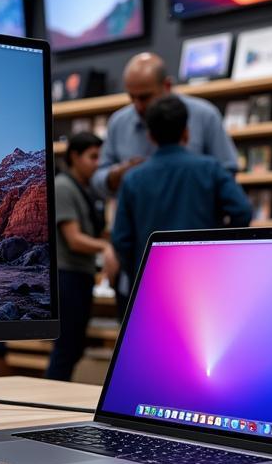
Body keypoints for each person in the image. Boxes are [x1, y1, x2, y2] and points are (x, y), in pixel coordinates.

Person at [92, 52, 238, 313]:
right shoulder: (119, 123)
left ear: (167, 86)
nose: (137, 105)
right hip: (140, 271)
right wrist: (118, 174)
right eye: (131, 97)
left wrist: (220, 245)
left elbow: (227, 172)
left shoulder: (204, 116)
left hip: (198, 268)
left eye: (145, 96)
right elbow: (99, 180)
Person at [112, 95, 251, 286]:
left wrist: (138, 269)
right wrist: (220, 247)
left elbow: (121, 239)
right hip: (204, 275)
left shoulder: (133, 179)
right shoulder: (211, 169)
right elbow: (242, 211)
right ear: (186, 132)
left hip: (152, 280)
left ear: (150, 136)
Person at [46, 131, 118, 381]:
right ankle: (52, 404)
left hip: (81, 275)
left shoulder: (86, 190)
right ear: (75, 156)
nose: (97, 164)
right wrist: (104, 248)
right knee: (66, 350)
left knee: (73, 348)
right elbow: (75, 239)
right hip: (68, 277)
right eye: (93, 157)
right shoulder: (64, 187)